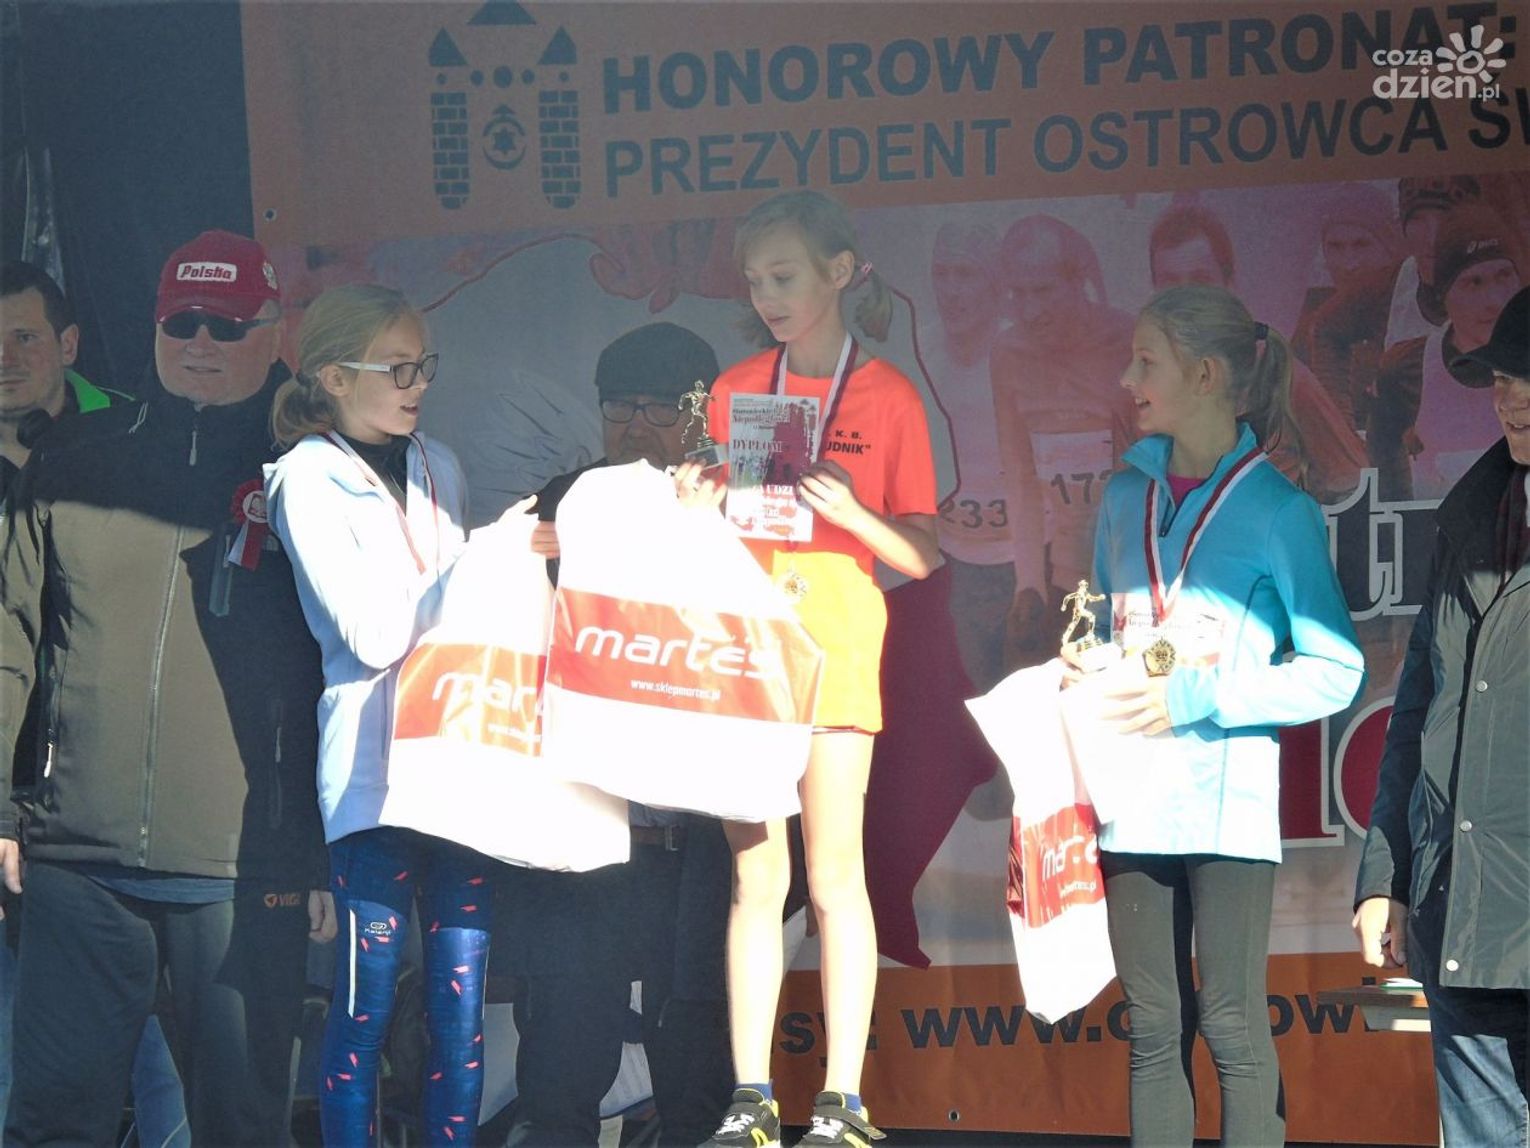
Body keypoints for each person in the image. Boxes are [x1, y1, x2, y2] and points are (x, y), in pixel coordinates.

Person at [0, 229, 334, 1147]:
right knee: (52, 1123)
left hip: (244, 865)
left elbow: (355, 668)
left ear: (274, 331)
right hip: (77, 856)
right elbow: (9, 635)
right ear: (152, 328)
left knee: (240, 1128)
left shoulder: (314, 470)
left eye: (227, 325)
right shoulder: (75, 456)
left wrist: (321, 848)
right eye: (182, 322)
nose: (201, 343)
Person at [674, 189, 939, 1148]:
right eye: (754, 281)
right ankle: (750, 1098)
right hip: (750, 651)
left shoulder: (890, 396)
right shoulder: (736, 387)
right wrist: (697, 502)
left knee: (833, 878)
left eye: (783, 275)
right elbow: (714, 526)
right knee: (756, 878)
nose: (767, 295)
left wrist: (853, 511)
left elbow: (922, 555)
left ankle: (843, 1101)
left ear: (841, 271)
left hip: (836, 650)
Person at [1070, 284, 1364, 1145]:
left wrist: (1200, 696)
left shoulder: (1278, 509)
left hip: (1223, 806)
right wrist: (1084, 664)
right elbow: (1104, 624)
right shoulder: (1124, 498)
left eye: (1145, 362)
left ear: (1203, 375)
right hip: (1130, 800)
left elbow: (1336, 671)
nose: (1127, 380)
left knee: (1232, 1024)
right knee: (1153, 1029)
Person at [264, 283, 497, 1145]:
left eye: (424, 365)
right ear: (333, 376)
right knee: (363, 1011)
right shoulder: (305, 476)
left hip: (459, 760)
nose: (418, 383)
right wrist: (479, 568)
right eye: (397, 368)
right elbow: (367, 635)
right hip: (370, 776)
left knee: (460, 1010)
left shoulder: (441, 463)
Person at [504, 321, 734, 1147]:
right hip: (586, 835)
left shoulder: (745, 507)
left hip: (700, 839)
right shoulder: (559, 503)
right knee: (562, 1059)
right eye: (619, 407)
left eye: (659, 409)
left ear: (704, 416)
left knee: (699, 1069)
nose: (636, 427)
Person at [0, 261, 188, 1145]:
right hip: (12, 784)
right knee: (25, 1051)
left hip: (110, 794)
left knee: (162, 1041)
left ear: (69, 343)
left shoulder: (134, 431)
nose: (5, 357)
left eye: (24, 337)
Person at [1354, 285, 1530, 1146]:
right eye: (1501, 377)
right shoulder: (1467, 515)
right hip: (1463, 918)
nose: (1511, 397)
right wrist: (1384, 876)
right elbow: (1417, 709)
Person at [1146, 202, 1366, 504]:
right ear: (1154, 292)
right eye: (1170, 283)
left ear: (1230, 284)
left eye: (1200, 280)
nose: (1187, 298)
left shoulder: (1282, 377)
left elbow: (1355, 484)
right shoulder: (1137, 392)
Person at [990, 214, 1135, 668]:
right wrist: (1028, 585)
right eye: (1017, 294)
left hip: (1138, 576)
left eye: (1042, 290)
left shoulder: (1129, 341)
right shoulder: (1008, 354)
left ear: (1078, 282)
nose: (1030, 309)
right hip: (1068, 577)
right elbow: (1020, 476)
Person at [1370, 205, 1525, 501]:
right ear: (1444, 293)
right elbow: (1389, 490)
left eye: (1504, 275)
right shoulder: (1404, 368)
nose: (1494, 300)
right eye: (1474, 282)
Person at [920, 222, 1011, 693]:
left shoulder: (1020, 350)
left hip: (1024, 558)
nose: (952, 290)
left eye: (966, 274)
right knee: (964, 700)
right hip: (948, 561)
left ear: (995, 282)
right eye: (943, 274)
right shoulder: (918, 350)